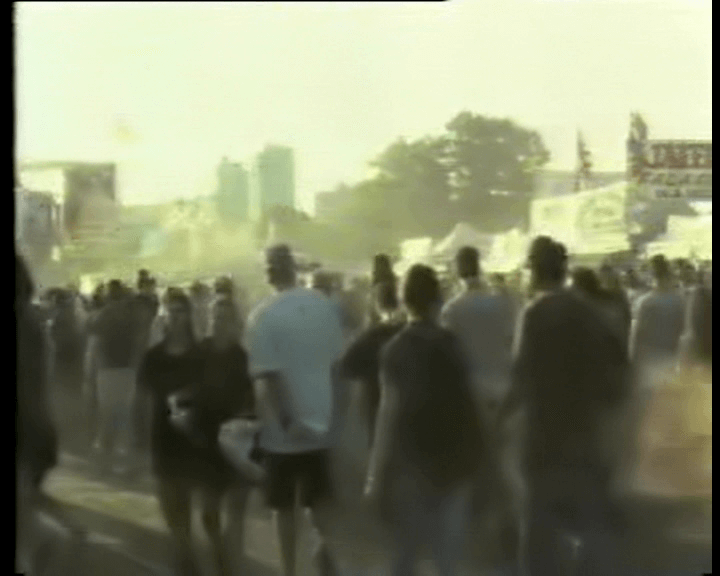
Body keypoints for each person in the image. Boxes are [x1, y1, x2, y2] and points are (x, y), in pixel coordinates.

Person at [499, 237, 631, 576]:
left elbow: (520, 377)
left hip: (543, 439)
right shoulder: (590, 312)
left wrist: (497, 422)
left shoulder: (535, 312)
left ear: (534, 271)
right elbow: (618, 372)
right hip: (585, 436)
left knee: (539, 535)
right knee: (590, 531)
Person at [367, 264, 484, 576]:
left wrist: (376, 475)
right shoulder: (453, 344)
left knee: (406, 555)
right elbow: (468, 402)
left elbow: (388, 415)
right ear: (438, 302)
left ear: (405, 302)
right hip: (453, 464)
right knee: (447, 558)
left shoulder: (394, 350)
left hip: (411, 464)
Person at [245, 244, 346, 576]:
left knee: (285, 511)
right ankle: (326, 557)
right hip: (322, 423)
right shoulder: (324, 307)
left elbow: (267, 378)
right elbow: (336, 367)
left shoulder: (262, 314)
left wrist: (288, 421)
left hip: (283, 432)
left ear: (270, 273)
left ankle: (291, 570)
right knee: (321, 508)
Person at [135, 289, 206, 576]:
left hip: (191, 435)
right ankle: (183, 546)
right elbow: (141, 397)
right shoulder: (153, 356)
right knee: (167, 499)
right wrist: (138, 435)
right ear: (163, 316)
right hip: (161, 433)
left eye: (180, 311)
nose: (175, 317)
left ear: (189, 315)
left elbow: (212, 393)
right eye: (171, 311)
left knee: (184, 498)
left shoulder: (200, 354)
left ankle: (185, 553)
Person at [189, 296, 257, 576]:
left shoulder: (242, 357)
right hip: (205, 441)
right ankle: (220, 553)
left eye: (225, 318)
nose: (218, 323)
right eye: (215, 317)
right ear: (208, 319)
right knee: (209, 512)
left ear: (234, 324)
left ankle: (232, 566)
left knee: (237, 510)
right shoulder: (199, 352)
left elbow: (253, 399)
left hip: (236, 440)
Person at [341, 281, 405, 449]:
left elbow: (347, 367)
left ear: (376, 304)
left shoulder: (370, 335)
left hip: (376, 403)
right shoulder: (409, 330)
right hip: (409, 406)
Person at [89, 279, 143, 474]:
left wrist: (94, 374)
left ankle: (108, 461)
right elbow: (97, 349)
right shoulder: (121, 317)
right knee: (117, 417)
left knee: (114, 417)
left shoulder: (104, 317)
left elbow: (95, 349)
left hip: (114, 372)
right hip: (116, 372)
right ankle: (111, 461)